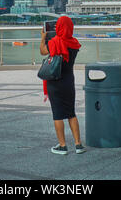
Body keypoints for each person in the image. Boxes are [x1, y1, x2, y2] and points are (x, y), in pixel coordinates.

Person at [40, 15, 86, 155]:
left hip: (55, 82)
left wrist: (43, 37)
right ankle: (78, 145)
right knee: (71, 113)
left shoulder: (55, 41)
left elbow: (43, 52)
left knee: (58, 114)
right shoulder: (74, 43)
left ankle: (62, 146)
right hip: (68, 81)